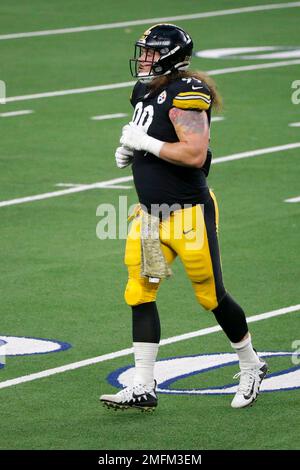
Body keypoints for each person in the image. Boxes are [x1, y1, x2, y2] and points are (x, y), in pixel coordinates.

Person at [100, 24, 267, 412]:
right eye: (142, 52)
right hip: (151, 218)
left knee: (211, 296)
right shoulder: (144, 90)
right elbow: (157, 138)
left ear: (170, 56)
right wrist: (132, 151)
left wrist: (146, 144)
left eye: (150, 53)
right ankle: (143, 384)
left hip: (188, 215)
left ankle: (251, 364)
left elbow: (194, 155)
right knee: (139, 291)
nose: (143, 59)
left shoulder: (187, 92)